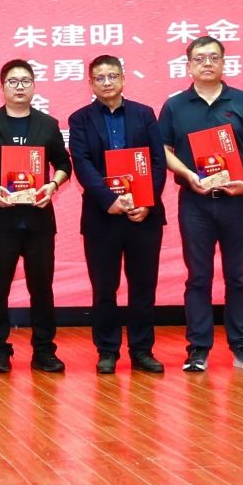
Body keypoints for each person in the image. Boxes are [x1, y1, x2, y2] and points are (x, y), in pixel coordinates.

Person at [157, 36, 243, 373]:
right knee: (198, 276)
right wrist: (189, 175)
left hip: (237, 200)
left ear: (223, 62)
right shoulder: (175, 105)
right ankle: (198, 348)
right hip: (195, 202)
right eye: (200, 58)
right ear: (188, 65)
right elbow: (163, 150)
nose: (207, 63)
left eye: (214, 57)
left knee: (239, 276)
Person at [0, 59, 72, 374]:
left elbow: (64, 163)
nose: (19, 86)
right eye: (13, 81)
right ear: (2, 88)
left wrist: (53, 185)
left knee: (42, 287)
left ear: (34, 86)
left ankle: (44, 350)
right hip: (0, 220)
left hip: (39, 220)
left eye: (25, 81)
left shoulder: (47, 124)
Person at [66, 54, 167, 375]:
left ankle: (142, 350)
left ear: (123, 78)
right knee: (104, 288)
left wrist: (147, 201)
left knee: (143, 287)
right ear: (90, 83)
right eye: (100, 78)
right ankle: (107, 350)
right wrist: (109, 199)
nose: (107, 82)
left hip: (144, 216)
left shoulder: (144, 114)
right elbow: (82, 163)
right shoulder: (79, 119)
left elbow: (157, 162)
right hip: (102, 216)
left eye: (112, 76)